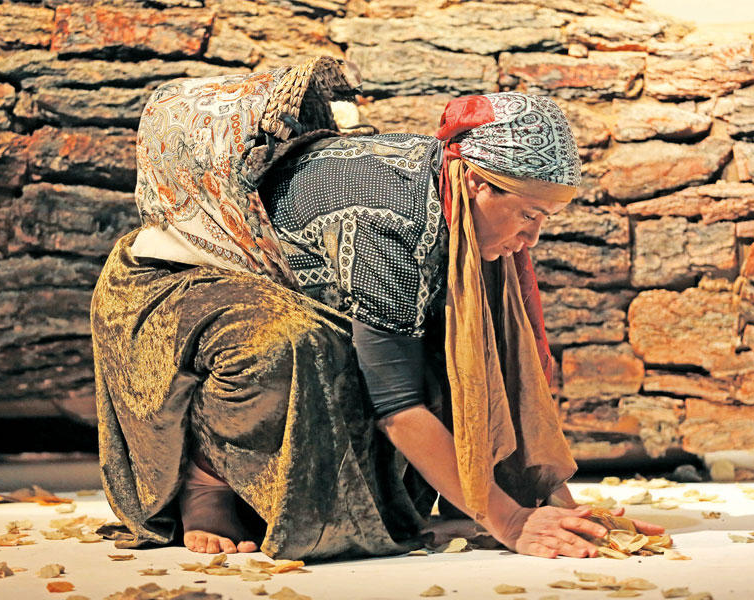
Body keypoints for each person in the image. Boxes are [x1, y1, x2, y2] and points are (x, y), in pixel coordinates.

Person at [91, 61, 663, 561]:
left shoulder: (452, 199)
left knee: (445, 335)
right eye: (529, 216)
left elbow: (496, 365)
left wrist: (557, 507)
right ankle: (207, 483)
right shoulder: (385, 222)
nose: (532, 240)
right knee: (295, 344)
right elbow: (397, 406)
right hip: (177, 283)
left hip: (296, 282)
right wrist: (509, 523)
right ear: (477, 184)